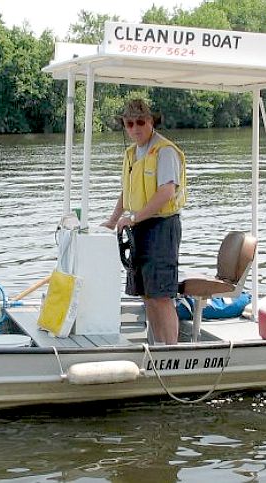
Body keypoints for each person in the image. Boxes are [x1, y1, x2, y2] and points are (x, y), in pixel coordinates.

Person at [102, 98, 186, 345]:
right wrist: (113, 220)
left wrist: (134, 217)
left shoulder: (165, 151)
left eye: (140, 122)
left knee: (161, 295)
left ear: (151, 122)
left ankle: (170, 351)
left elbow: (166, 192)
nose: (135, 128)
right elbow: (126, 192)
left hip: (162, 227)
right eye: (129, 123)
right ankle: (156, 346)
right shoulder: (131, 154)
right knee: (146, 294)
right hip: (137, 229)